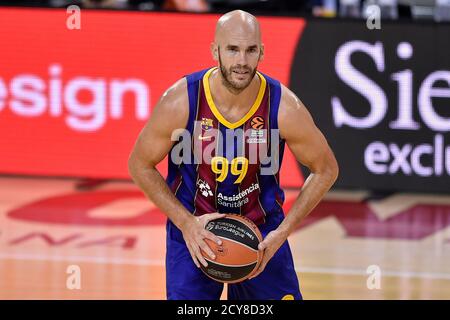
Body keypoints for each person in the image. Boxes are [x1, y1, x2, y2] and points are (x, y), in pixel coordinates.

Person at [128, 10, 339, 300]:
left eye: (250, 50)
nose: (241, 61)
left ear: (262, 52)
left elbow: (326, 169)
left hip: (263, 232)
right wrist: (186, 223)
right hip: (195, 229)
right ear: (215, 50)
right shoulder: (182, 100)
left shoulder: (283, 107)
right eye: (232, 49)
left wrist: (282, 232)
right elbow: (140, 164)